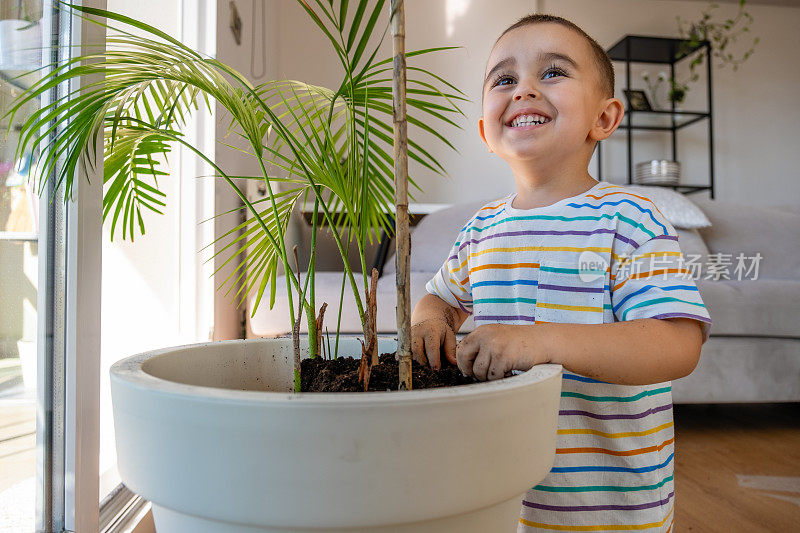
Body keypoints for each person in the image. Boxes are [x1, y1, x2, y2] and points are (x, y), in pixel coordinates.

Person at [410, 13, 712, 532]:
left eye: (552, 73)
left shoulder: (630, 219)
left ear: (605, 118)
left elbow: (679, 344)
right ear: (486, 131)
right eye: (504, 80)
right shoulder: (481, 229)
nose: (524, 89)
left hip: (612, 509)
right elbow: (439, 299)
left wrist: (541, 341)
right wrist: (428, 321)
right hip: (500, 500)